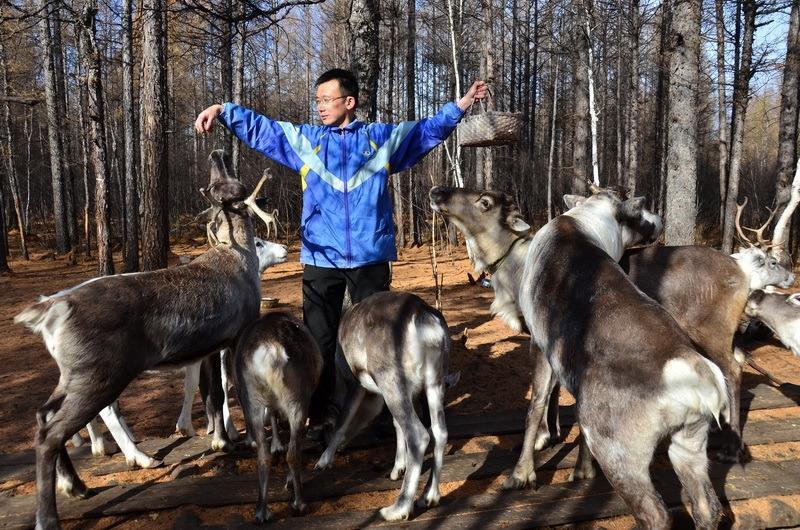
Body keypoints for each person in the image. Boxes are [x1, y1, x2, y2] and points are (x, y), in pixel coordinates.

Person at [195, 68, 487, 437]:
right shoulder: (306, 140)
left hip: (370, 254)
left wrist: (460, 106)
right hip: (322, 257)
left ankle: (379, 410)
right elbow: (264, 130)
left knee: (378, 338)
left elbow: (426, 130)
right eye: (316, 100)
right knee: (319, 340)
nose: (319, 107)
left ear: (349, 102)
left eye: (326, 100)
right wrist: (224, 110)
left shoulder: (381, 139)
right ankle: (321, 415)